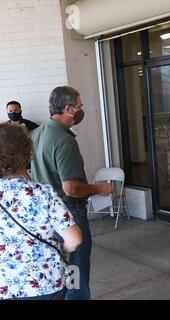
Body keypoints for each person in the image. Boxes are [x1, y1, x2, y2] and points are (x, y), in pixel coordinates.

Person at [31, 86, 112, 300]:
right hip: (69, 213)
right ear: (68, 109)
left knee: (59, 268)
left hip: (45, 215)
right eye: (79, 106)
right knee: (76, 269)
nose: (81, 110)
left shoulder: (37, 133)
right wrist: (99, 189)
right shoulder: (64, 140)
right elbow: (71, 188)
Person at [0, 123, 82, 300]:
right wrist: (65, 250)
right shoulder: (42, 194)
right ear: (27, 153)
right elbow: (74, 239)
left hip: (6, 286)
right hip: (47, 283)